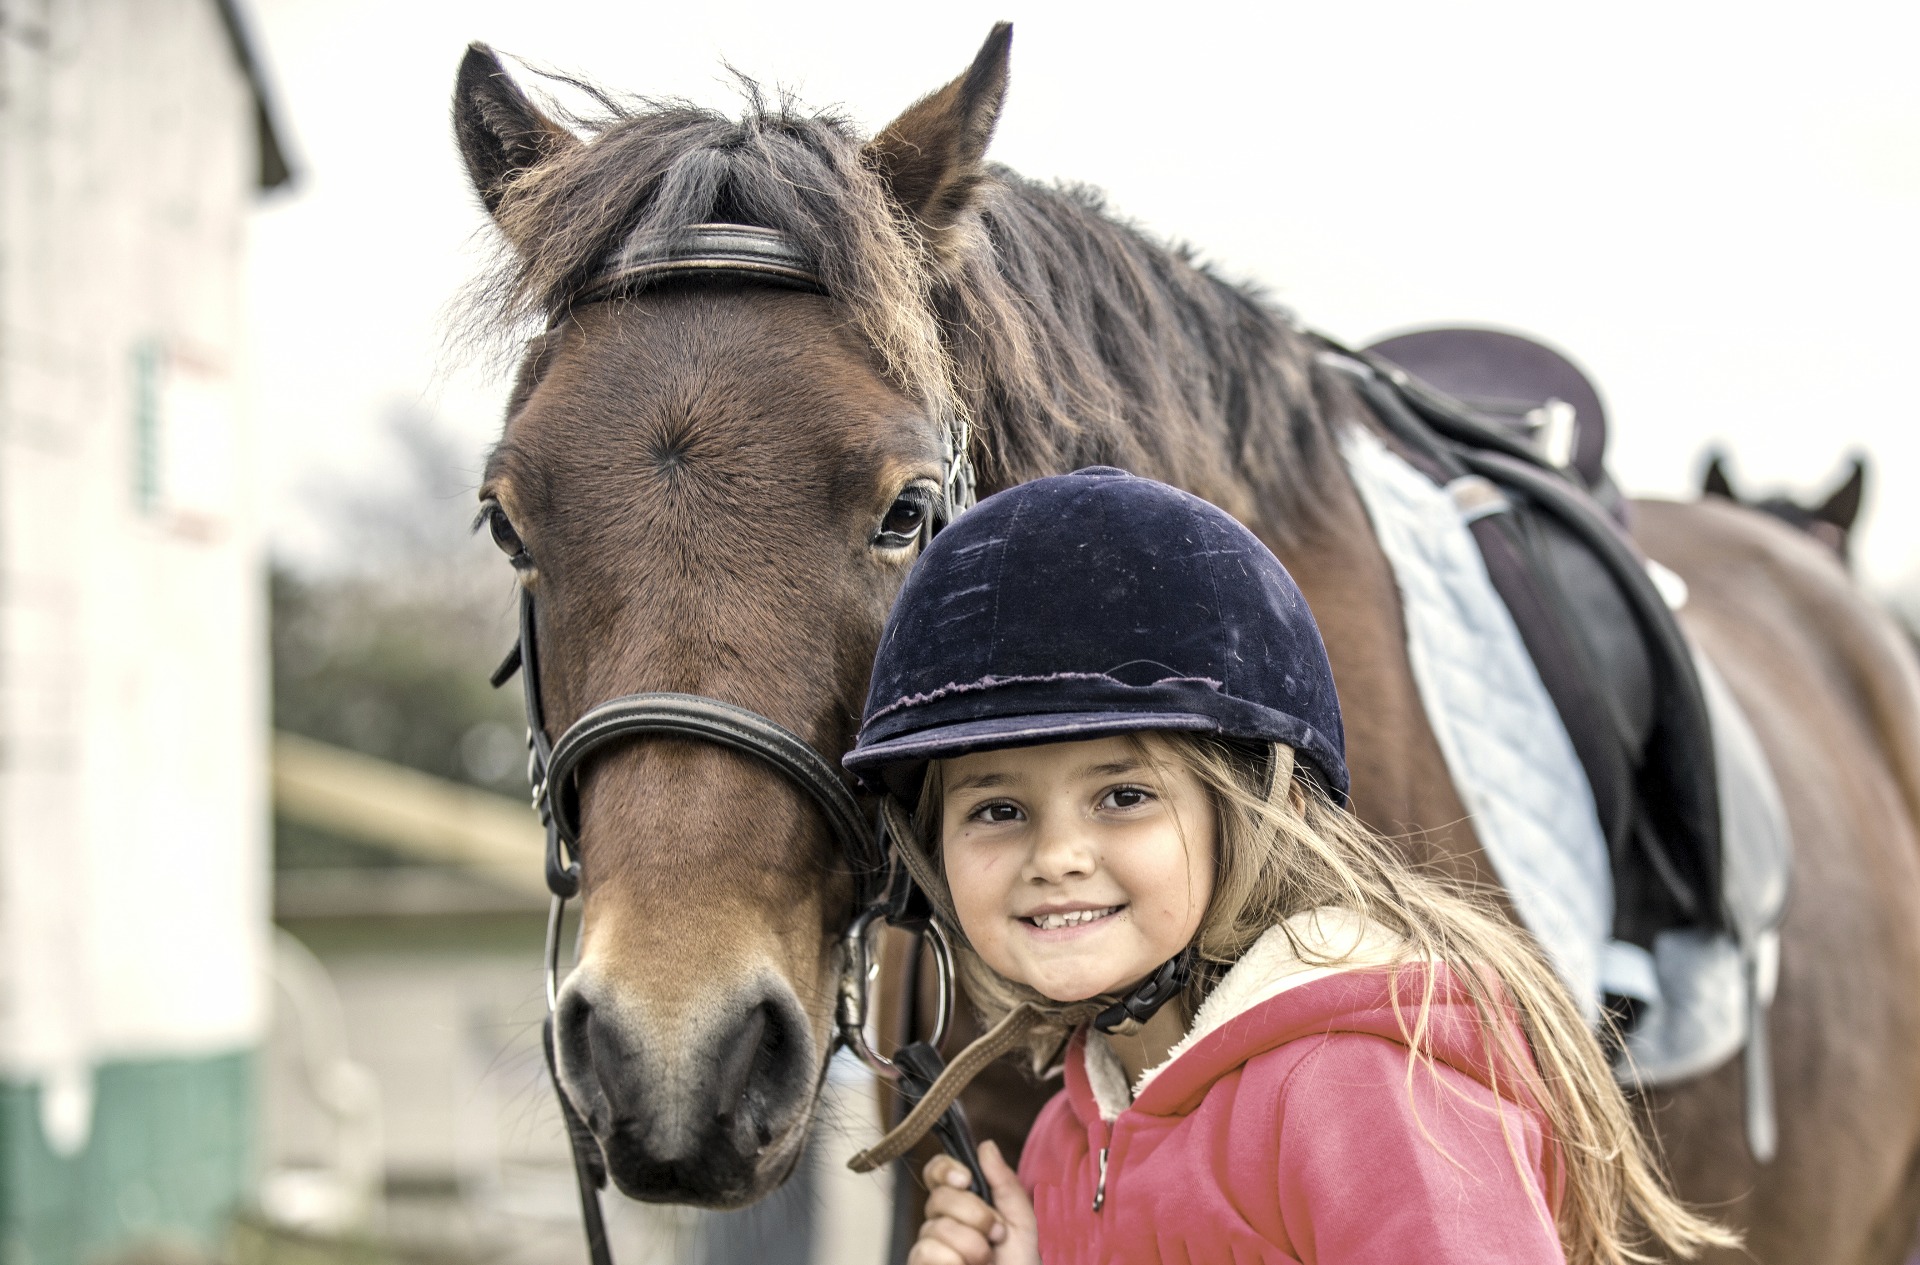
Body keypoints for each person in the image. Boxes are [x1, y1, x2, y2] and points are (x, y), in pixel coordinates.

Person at [841, 467, 1733, 1265]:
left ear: (1260, 812)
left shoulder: (1365, 1100)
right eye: (998, 810)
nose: (1057, 856)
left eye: (1124, 795)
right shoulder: (1064, 1142)